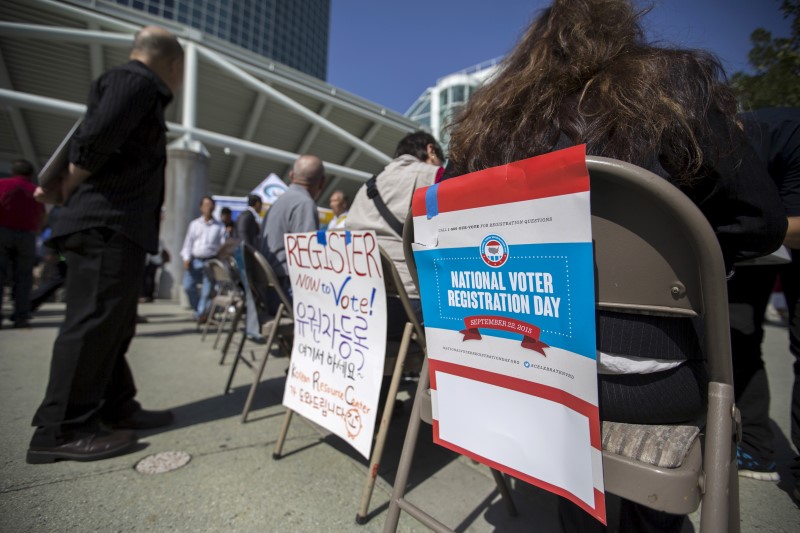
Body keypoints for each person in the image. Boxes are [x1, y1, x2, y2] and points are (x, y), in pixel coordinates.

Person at [442, 1, 787, 530]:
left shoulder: (485, 128)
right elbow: (758, 223)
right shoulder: (677, 90)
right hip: (647, 384)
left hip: (514, 367)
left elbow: (442, 235)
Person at [27, 26, 184, 464]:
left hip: (114, 226)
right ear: (175, 65)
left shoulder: (131, 84)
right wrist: (67, 185)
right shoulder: (135, 82)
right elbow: (96, 138)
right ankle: (61, 430)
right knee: (94, 322)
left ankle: (116, 407)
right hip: (105, 222)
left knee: (113, 323)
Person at [729, 108, 800, 500]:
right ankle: (755, 449)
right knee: (738, 334)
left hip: (777, 228)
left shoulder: (787, 136)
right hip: (751, 244)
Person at [346, 132, 443, 339]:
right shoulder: (434, 175)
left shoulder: (367, 186)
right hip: (408, 303)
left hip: (360, 302)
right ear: (430, 150)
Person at [259, 155, 325, 306]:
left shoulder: (277, 203)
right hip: (286, 290)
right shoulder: (305, 204)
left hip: (268, 288)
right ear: (322, 182)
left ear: (291, 175)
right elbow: (308, 259)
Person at [0, 159, 45, 329]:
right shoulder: (35, 190)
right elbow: (42, 215)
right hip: (27, 235)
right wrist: (36, 231)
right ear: (31, 175)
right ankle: (21, 316)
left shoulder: (2, 184)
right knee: (24, 277)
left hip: (2, 231)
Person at [180, 195, 225, 322]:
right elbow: (188, 242)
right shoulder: (194, 224)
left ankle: (200, 315)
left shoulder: (219, 226)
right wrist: (186, 258)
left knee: (207, 290)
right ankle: (199, 311)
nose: (208, 208)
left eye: (210, 205)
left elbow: (223, 245)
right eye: (206, 205)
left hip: (210, 260)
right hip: (195, 259)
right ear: (201, 207)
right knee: (188, 287)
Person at [236, 194, 265, 343]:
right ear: (258, 203)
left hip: (245, 257)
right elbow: (244, 239)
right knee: (251, 294)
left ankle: (251, 327)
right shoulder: (248, 216)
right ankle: (252, 330)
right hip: (247, 259)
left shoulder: (245, 215)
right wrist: (251, 256)